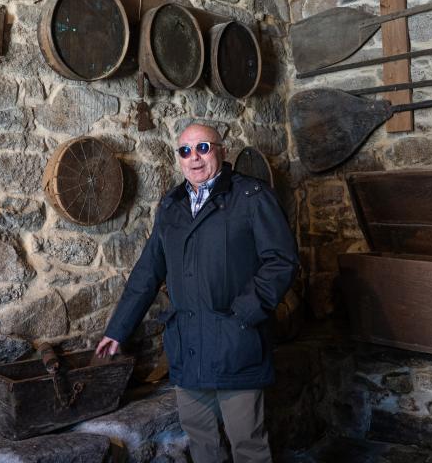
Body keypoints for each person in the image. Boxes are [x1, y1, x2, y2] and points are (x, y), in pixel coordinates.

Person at [95, 122, 298, 463]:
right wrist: (118, 330)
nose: (194, 158)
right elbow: (148, 272)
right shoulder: (171, 206)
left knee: (248, 444)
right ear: (178, 158)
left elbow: (282, 261)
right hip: (188, 344)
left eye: (203, 147)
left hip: (237, 341)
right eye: (185, 151)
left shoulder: (252, 197)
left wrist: (246, 312)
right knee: (202, 443)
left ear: (221, 150)